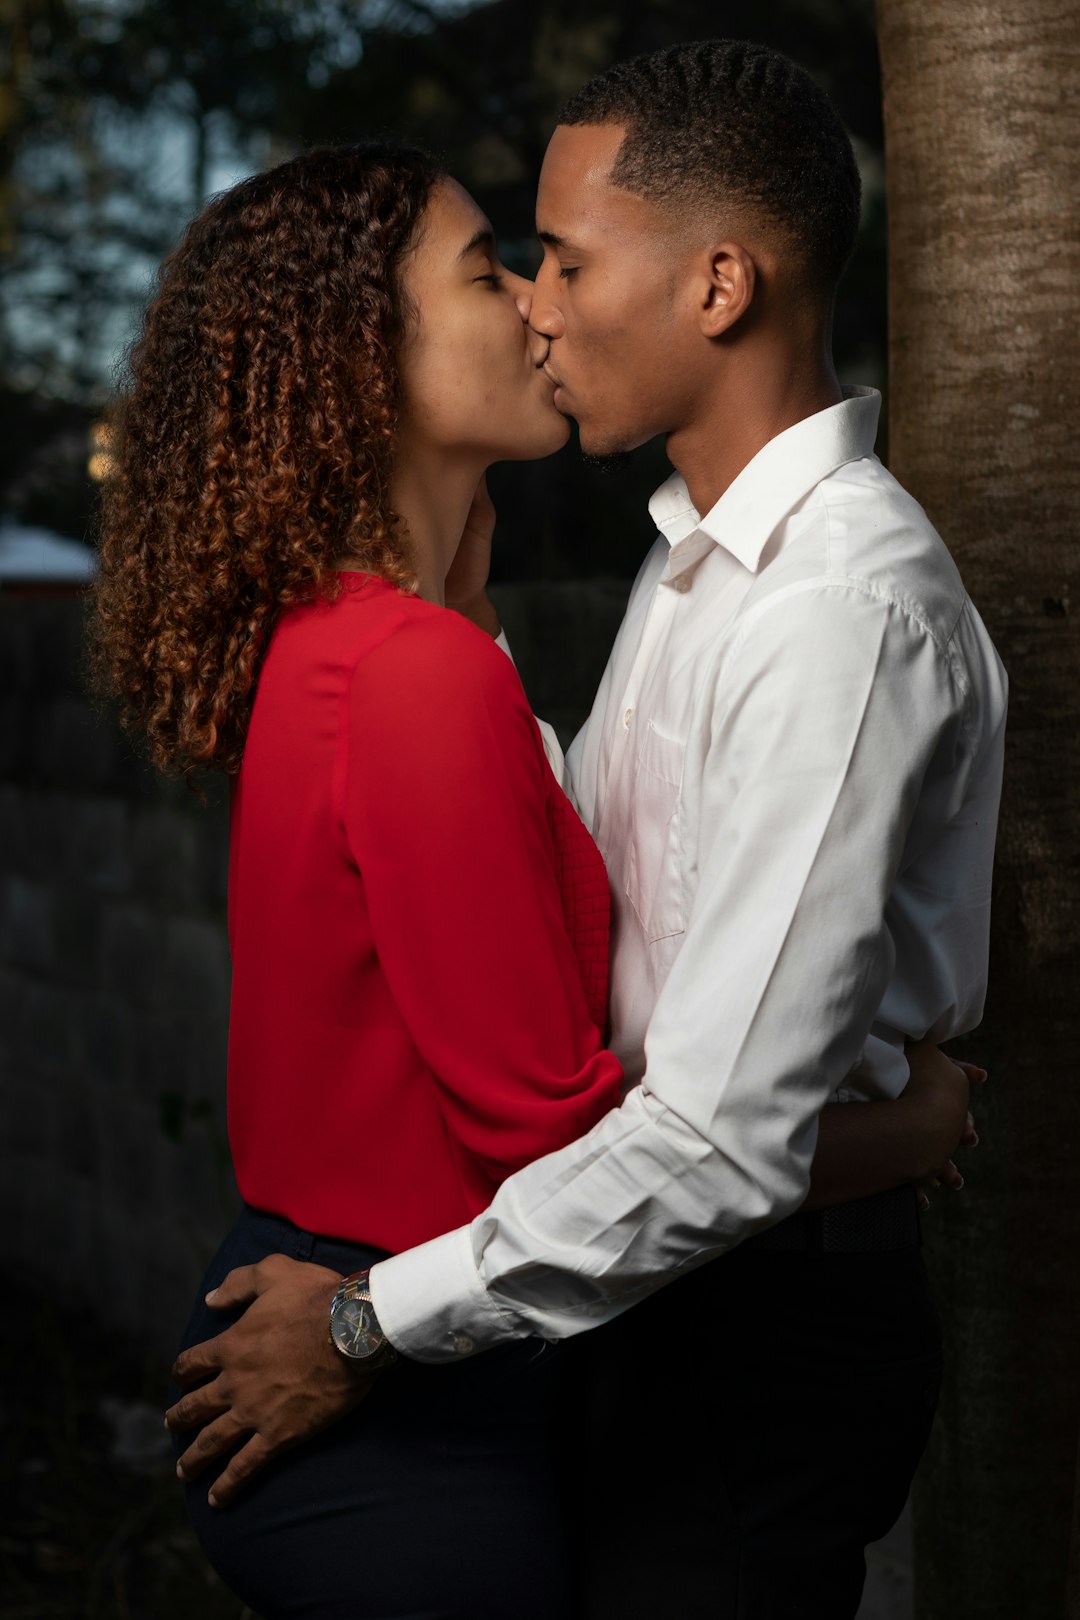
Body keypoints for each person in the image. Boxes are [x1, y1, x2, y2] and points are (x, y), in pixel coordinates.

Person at [152, 57, 993, 1618]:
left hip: (747, 1322)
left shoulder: (836, 612)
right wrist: (901, 1124)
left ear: (721, 282)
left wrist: (361, 1326)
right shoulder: (687, 574)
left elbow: (713, 1134)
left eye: (565, 260)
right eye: (508, 265)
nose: (539, 304)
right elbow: (586, 930)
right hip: (607, 1292)